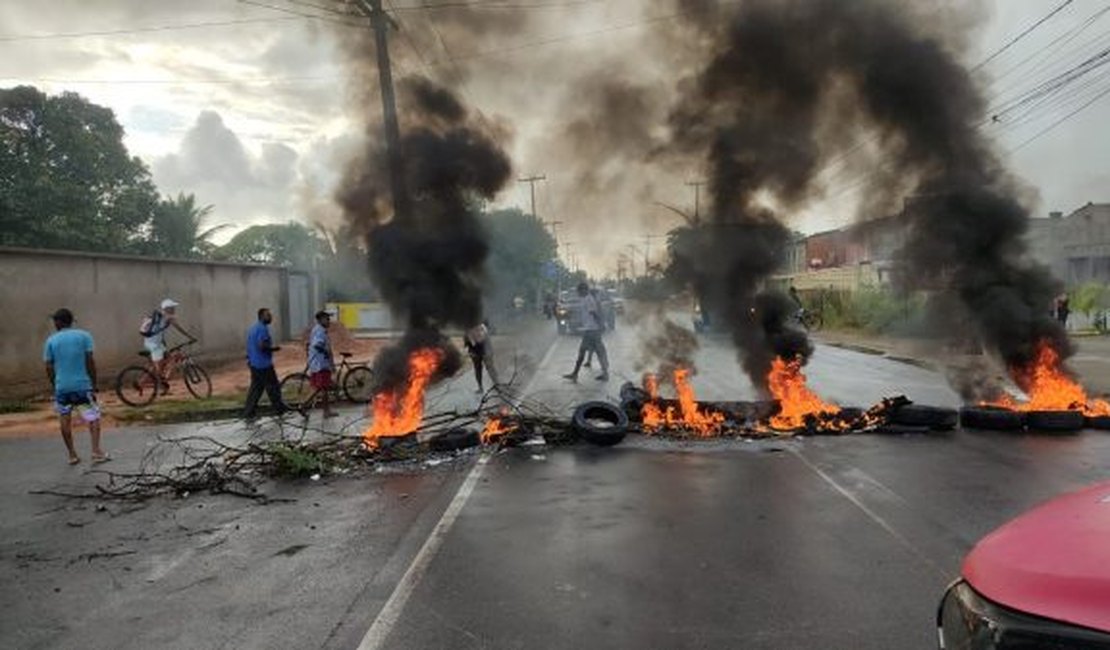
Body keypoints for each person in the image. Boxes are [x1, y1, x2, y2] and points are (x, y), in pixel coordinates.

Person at [43, 308, 108, 465]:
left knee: (64, 419)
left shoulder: (51, 340)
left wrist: (55, 384)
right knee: (92, 418)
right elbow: (90, 361)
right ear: (71, 321)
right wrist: (94, 382)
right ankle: (96, 451)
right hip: (82, 386)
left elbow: (48, 366)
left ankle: (72, 455)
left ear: (58, 322)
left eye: (55, 321)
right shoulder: (84, 336)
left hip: (62, 388)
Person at [140, 298, 195, 393]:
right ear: (167, 308)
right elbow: (179, 329)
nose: (174, 309)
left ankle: (160, 383)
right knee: (160, 369)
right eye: (172, 307)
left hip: (152, 343)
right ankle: (157, 383)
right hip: (154, 346)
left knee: (168, 359)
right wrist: (190, 337)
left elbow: (157, 332)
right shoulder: (168, 317)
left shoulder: (158, 317)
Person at [243, 308, 290, 419]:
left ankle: (248, 412)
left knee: (256, 389)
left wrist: (249, 360)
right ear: (261, 317)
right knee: (273, 387)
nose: (270, 317)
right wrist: (274, 349)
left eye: (270, 315)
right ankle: (280, 410)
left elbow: (250, 346)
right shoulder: (262, 329)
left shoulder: (252, 328)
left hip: (254, 363)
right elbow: (262, 346)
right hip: (263, 365)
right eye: (268, 315)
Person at [563, 282, 610, 382]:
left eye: (579, 291)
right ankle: (604, 373)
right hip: (590, 330)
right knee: (597, 351)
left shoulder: (588, 300)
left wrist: (601, 324)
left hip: (591, 331)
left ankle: (575, 374)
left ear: (584, 290)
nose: (578, 293)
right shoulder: (586, 299)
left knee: (586, 351)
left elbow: (593, 313)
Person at [307, 310, 337, 418]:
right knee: (323, 388)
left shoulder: (318, 329)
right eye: (327, 319)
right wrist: (326, 353)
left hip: (317, 363)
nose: (329, 321)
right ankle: (326, 411)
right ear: (320, 320)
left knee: (320, 388)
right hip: (321, 364)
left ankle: (304, 405)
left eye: (329, 318)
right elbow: (317, 345)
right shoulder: (320, 331)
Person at [464, 321, 499, 394]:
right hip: (477, 352)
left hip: (485, 351)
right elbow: (468, 343)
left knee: (489, 369)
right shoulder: (469, 330)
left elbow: (483, 340)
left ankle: (497, 385)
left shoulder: (481, 327)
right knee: (479, 370)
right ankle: (481, 387)